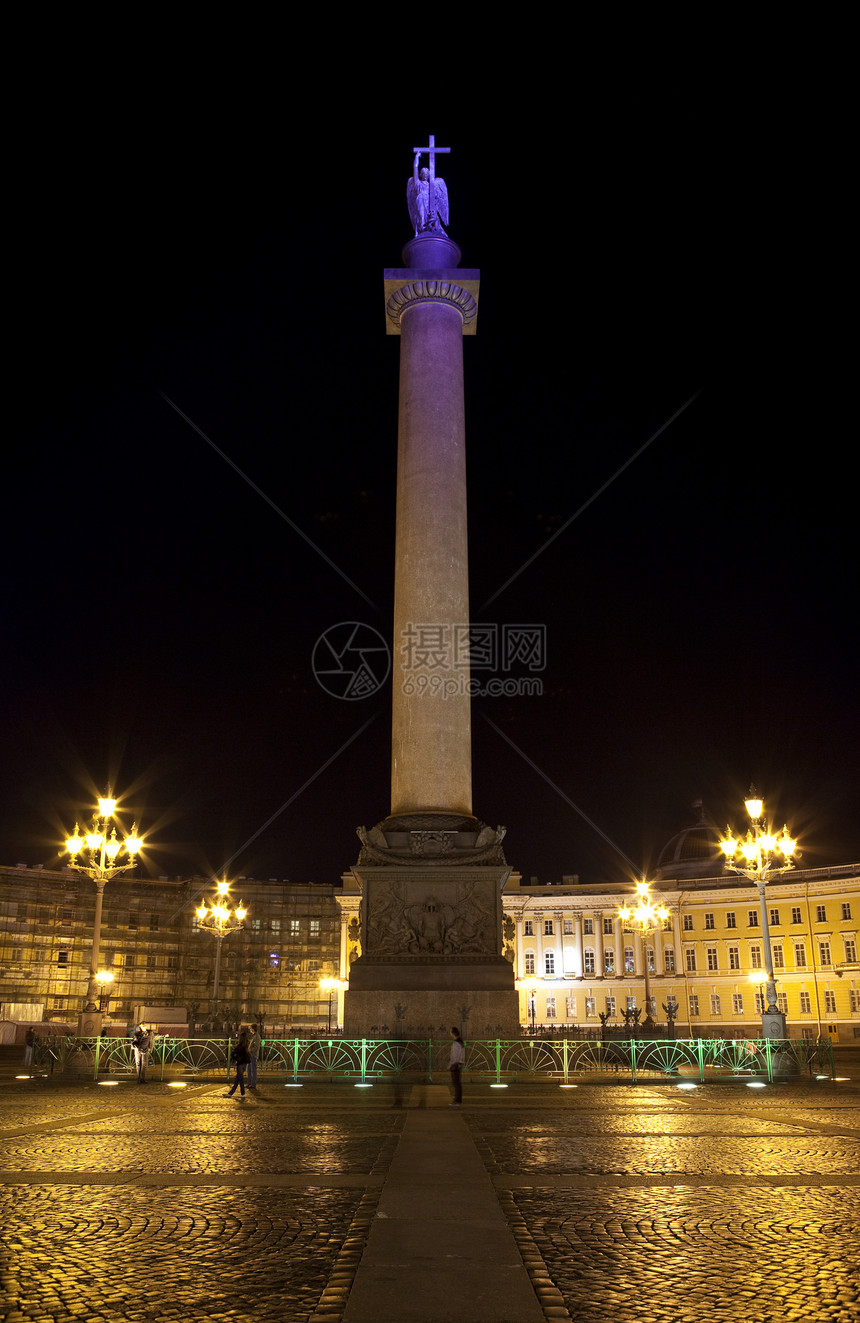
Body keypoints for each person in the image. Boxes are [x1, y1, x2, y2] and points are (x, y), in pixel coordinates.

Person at [224, 1030, 250, 1101]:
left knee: (239, 1079)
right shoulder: (246, 1045)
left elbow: (234, 1054)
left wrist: (235, 1058)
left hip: (240, 1063)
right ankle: (235, 1093)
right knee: (238, 1079)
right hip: (244, 1064)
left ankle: (236, 1093)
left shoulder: (240, 1046)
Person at [448, 1026, 465, 1106]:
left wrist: (450, 1065)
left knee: (456, 1083)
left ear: (453, 1033)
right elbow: (462, 1055)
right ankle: (458, 1100)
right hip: (459, 1064)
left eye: (450, 1031)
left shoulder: (455, 1043)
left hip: (455, 1065)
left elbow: (454, 1056)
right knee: (458, 1083)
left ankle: (457, 1100)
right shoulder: (461, 1042)